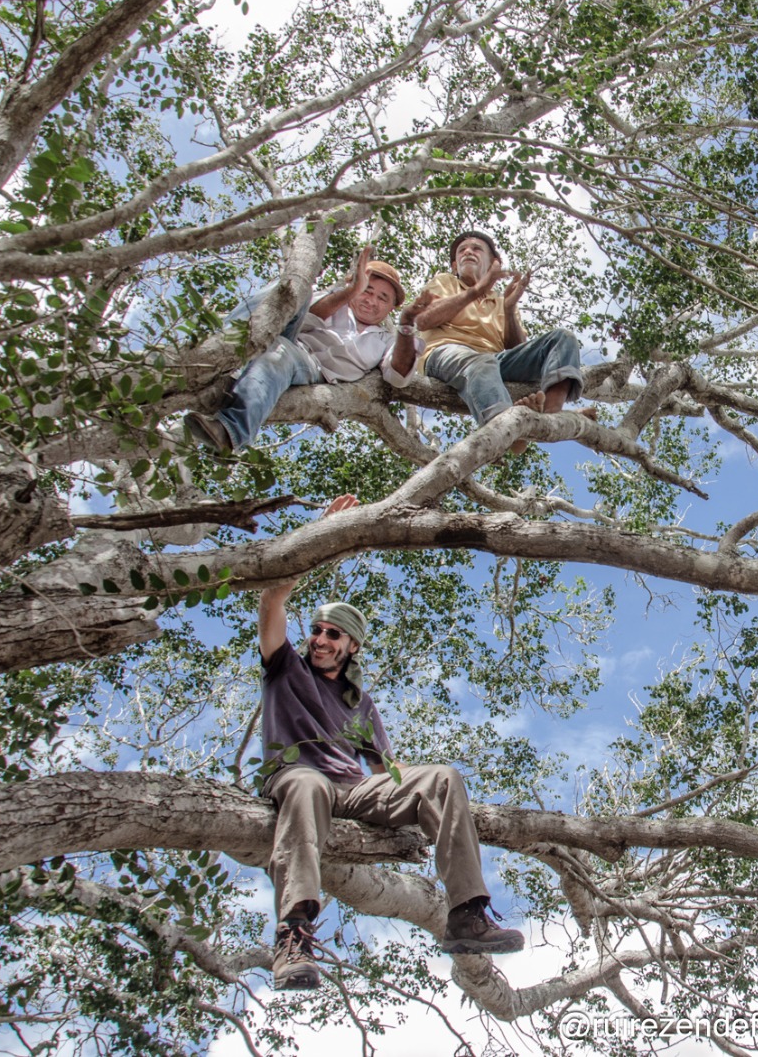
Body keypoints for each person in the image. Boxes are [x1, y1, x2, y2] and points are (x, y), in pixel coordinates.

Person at [255, 494, 524, 991]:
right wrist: (320, 537)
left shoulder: (361, 702)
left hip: (351, 789)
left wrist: (415, 809)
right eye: (315, 629)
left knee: (441, 778)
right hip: (297, 781)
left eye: (332, 633)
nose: (319, 638)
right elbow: (273, 599)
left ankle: (466, 914)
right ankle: (293, 933)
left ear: (352, 645)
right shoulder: (284, 669)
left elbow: (387, 773)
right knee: (309, 783)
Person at [186, 248, 414, 452]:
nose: (371, 300)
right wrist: (349, 292)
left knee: (281, 353)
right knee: (293, 286)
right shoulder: (336, 301)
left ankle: (231, 432)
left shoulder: (386, 339)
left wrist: (408, 324)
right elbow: (308, 315)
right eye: (367, 290)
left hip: (308, 364)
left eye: (382, 298)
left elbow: (398, 376)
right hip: (279, 334)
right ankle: (218, 353)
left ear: (392, 308)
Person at [387, 230, 592, 453]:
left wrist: (509, 308)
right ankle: (507, 432)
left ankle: (550, 416)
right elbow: (423, 321)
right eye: (462, 251)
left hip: (494, 360)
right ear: (455, 266)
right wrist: (476, 291)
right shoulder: (445, 282)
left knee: (562, 338)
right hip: (446, 353)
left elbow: (517, 350)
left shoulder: (501, 300)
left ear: (494, 263)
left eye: (476, 249)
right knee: (481, 363)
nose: (468, 252)